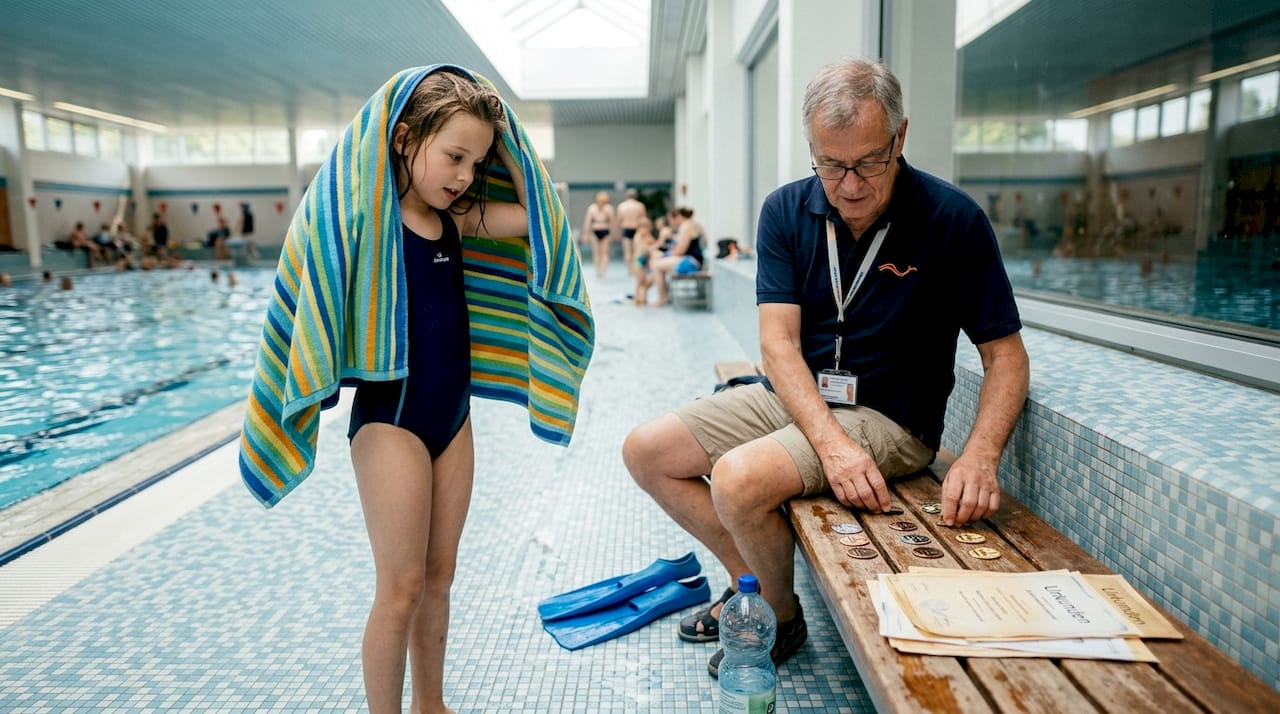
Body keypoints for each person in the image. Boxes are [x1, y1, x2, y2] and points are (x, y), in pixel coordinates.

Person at [621, 58, 1030, 679]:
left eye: (868, 161)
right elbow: (778, 347)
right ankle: (750, 587)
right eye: (831, 164)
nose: (850, 184)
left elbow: (1006, 356)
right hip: (804, 395)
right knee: (647, 451)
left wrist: (978, 456)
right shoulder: (786, 211)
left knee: (736, 479)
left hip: (890, 416)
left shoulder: (951, 220)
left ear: (901, 138)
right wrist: (831, 446)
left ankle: (777, 618)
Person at [238, 66, 593, 714]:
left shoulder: (458, 220)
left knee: (439, 579)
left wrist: (502, 136)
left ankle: (433, 706)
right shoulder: (365, 227)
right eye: (453, 155)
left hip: (451, 420)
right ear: (404, 137)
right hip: (390, 424)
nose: (463, 173)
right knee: (400, 587)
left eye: (476, 160)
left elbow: (542, 218)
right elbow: (313, 268)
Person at [646, 207, 705, 306]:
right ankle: (663, 294)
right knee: (657, 262)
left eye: (671, 220)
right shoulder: (694, 224)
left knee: (655, 265)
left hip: (691, 262)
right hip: (694, 260)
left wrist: (664, 255)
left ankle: (662, 297)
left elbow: (681, 250)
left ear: (677, 217)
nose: (672, 223)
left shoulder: (685, 226)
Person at [582, 191, 614, 278]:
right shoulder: (608, 208)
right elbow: (611, 223)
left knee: (597, 253)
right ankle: (602, 271)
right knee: (604, 254)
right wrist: (612, 234)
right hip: (604, 230)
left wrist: (585, 234)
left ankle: (598, 271)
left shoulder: (592, 208)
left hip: (595, 230)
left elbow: (587, 222)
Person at [616, 188, 647, 274]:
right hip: (637, 229)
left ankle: (629, 269)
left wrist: (618, 232)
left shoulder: (621, 206)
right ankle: (635, 268)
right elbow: (644, 221)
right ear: (636, 196)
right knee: (636, 250)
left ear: (626, 196)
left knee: (627, 251)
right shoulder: (640, 206)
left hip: (626, 229)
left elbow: (619, 221)